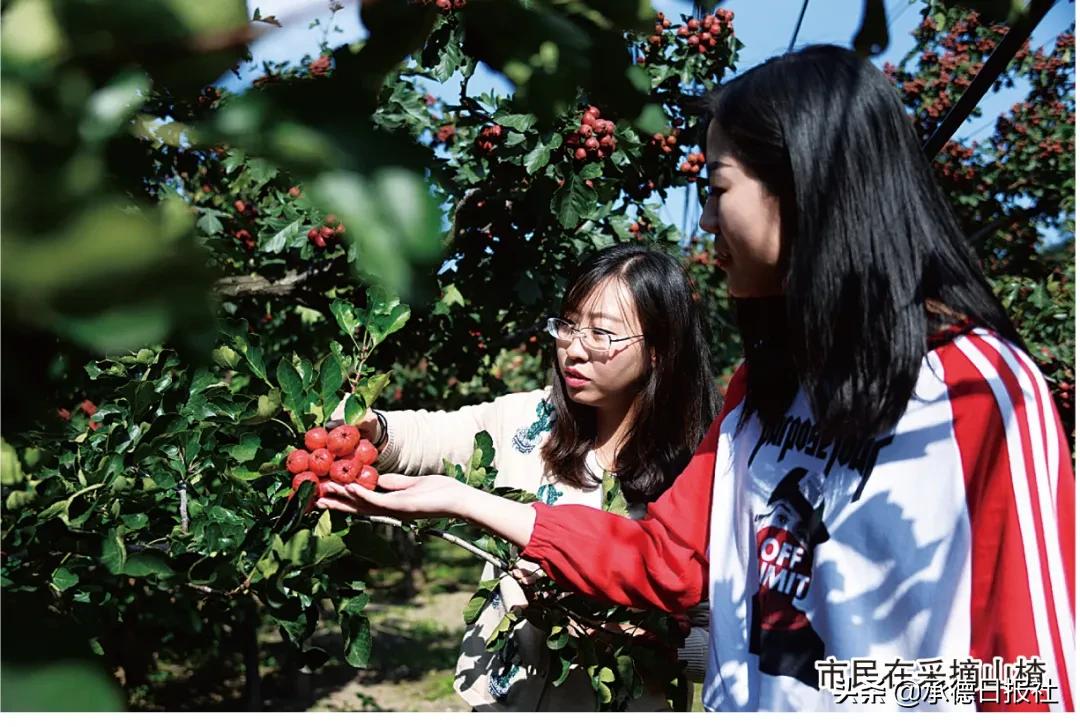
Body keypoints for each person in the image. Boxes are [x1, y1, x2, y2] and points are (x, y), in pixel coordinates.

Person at [318, 44, 1075, 712]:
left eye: (716, 189)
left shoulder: (976, 391)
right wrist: (456, 498)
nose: (707, 222)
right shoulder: (764, 394)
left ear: (803, 186)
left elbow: (1033, 677)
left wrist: (862, 686)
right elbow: (667, 563)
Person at [328, 244, 720, 710]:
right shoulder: (531, 421)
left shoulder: (705, 469)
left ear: (658, 350)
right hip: (501, 701)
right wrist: (375, 429)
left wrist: (638, 636)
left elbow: (723, 641)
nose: (573, 349)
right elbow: (436, 434)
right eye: (568, 325)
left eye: (600, 334)